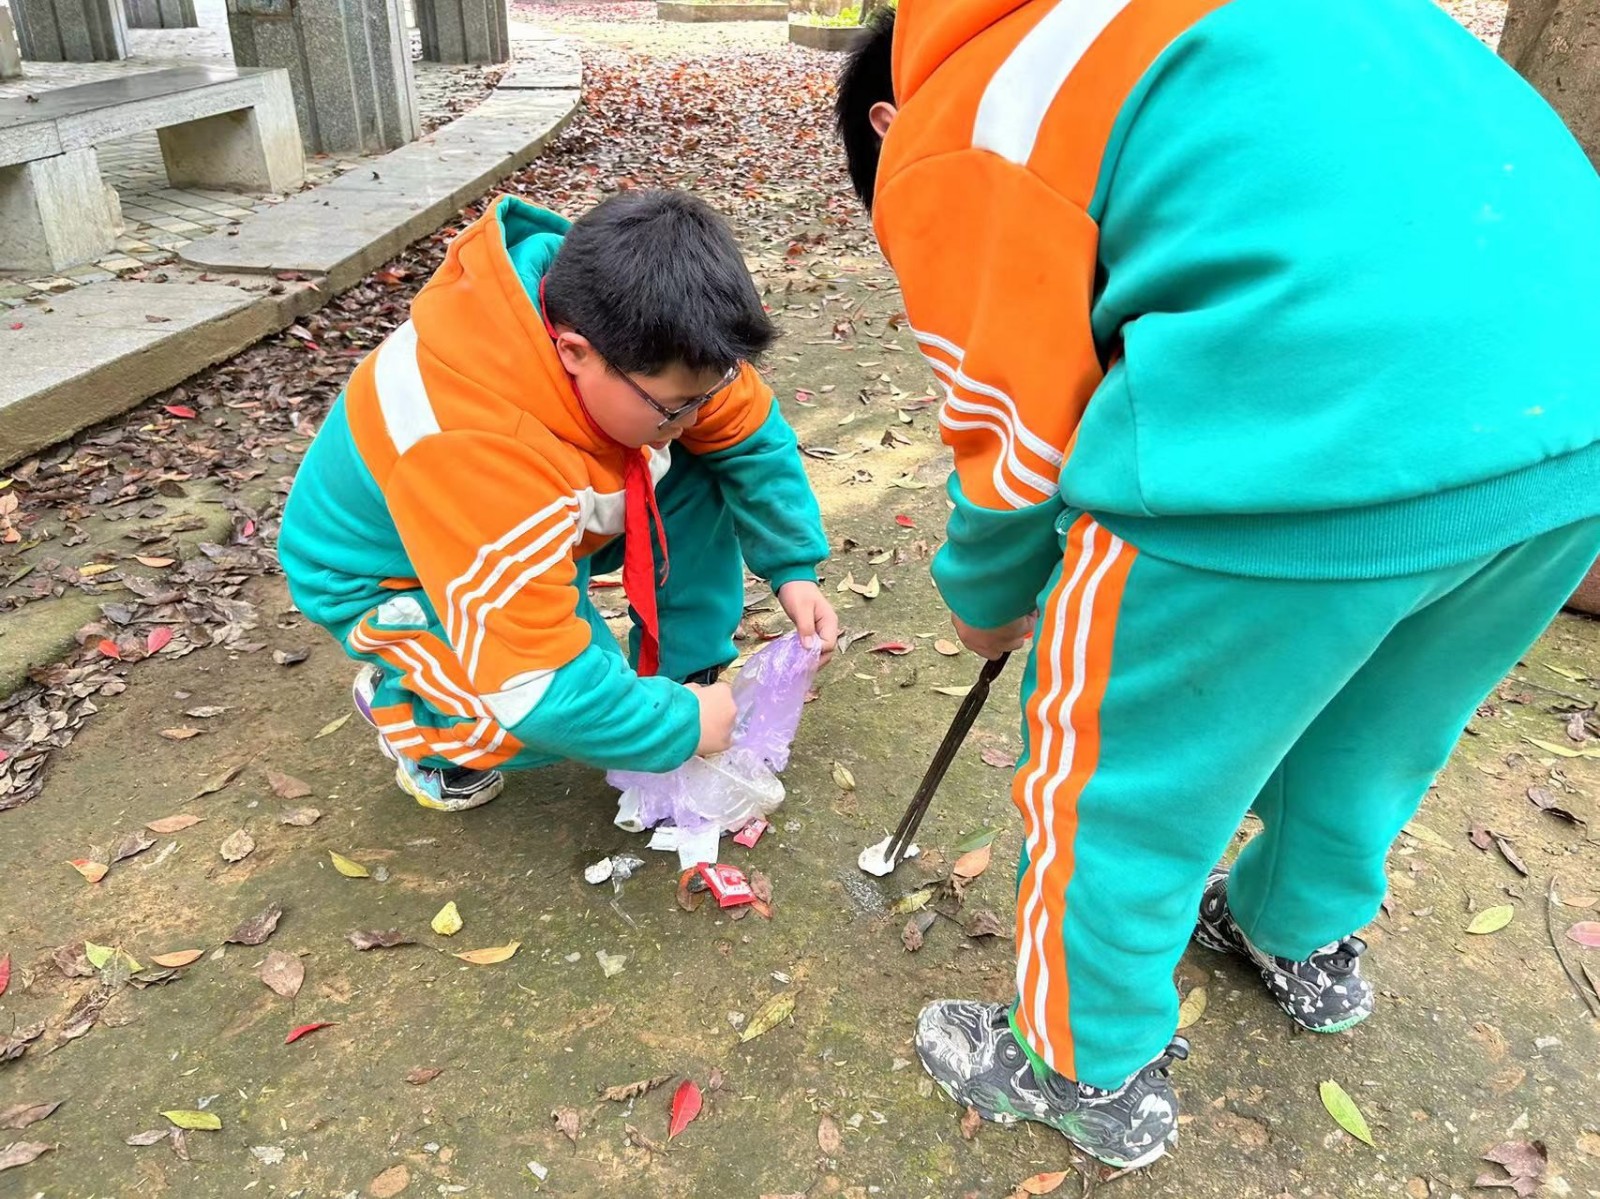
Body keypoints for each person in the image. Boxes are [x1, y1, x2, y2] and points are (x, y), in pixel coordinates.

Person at [836, 0, 1600, 1170]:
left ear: (891, 123)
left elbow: (1013, 424)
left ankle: (1081, 1063)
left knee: (1121, 783)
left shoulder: (973, 110)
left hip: (1281, 446)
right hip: (1563, 438)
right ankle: (1296, 930)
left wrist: (985, 595)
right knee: (1377, 717)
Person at [279, 189, 838, 811]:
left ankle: (684, 674)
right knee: (528, 714)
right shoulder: (471, 447)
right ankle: (418, 718)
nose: (695, 416)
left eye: (708, 393)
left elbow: (749, 438)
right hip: (399, 573)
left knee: (703, 468)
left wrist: (794, 571)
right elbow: (539, 689)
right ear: (574, 352)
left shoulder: (647, 327)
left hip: (534, 516)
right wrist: (677, 727)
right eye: (677, 407)